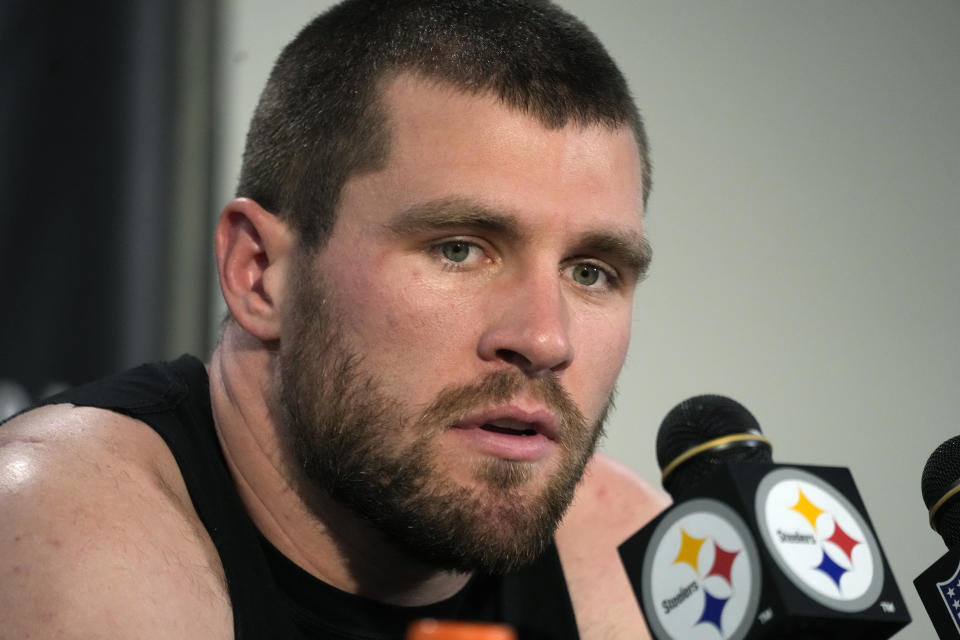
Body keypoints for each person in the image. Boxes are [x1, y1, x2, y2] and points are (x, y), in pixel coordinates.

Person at [0, 1, 669, 638]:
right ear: (259, 273)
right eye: (459, 250)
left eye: (591, 272)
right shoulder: (65, 533)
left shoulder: (625, 561)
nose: (545, 339)